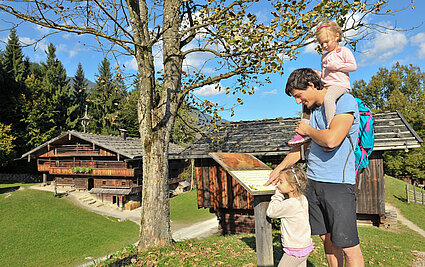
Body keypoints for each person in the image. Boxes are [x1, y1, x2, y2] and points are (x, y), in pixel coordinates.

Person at [266, 68, 364, 267]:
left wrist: (308, 130)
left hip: (338, 183)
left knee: (348, 245)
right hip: (313, 183)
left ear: (311, 85)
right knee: (327, 239)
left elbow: (332, 140)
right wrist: (279, 169)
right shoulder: (313, 112)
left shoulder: (344, 102)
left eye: (298, 96)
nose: (298, 101)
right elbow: (300, 150)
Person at [288, 19, 357, 149]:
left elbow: (353, 66)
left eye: (326, 42)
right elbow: (326, 74)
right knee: (308, 101)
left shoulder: (343, 51)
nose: (324, 46)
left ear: (336, 36)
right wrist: (318, 74)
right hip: (327, 83)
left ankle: (330, 128)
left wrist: (336, 66)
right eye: (321, 44)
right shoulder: (324, 57)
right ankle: (303, 129)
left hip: (339, 85)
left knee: (328, 98)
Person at [266, 166, 314, 267]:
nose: (278, 185)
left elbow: (271, 212)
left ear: (292, 187)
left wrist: (278, 194)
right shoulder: (302, 198)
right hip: (304, 246)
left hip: (295, 250)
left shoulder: (290, 204)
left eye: (281, 182)